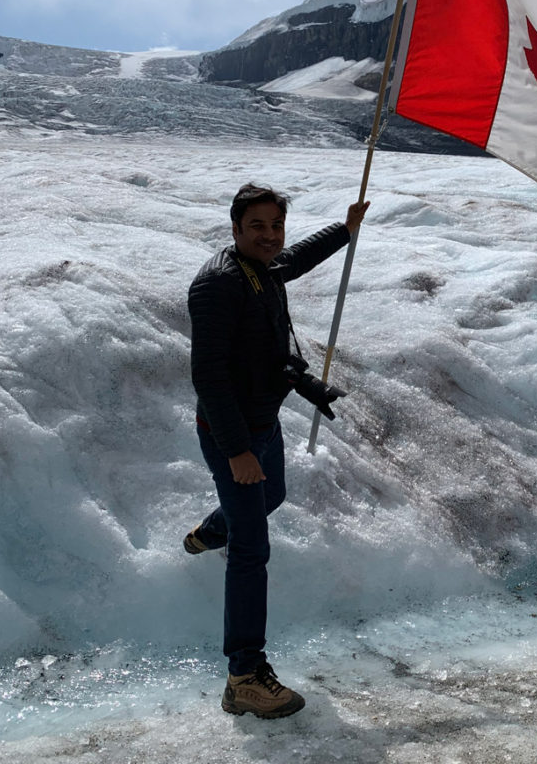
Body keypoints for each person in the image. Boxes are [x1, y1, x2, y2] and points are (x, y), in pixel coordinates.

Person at [184, 182, 369, 719]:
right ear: (235, 228)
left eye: (275, 225)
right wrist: (238, 451)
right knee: (252, 550)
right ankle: (243, 675)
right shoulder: (218, 285)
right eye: (257, 226)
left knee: (275, 495)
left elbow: (290, 261)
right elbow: (209, 377)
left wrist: (345, 228)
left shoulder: (259, 268)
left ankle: (207, 533)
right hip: (232, 435)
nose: (269, 236)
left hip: (263, 424)